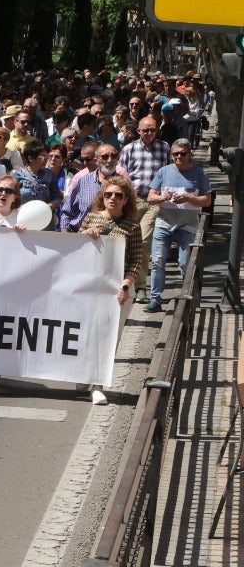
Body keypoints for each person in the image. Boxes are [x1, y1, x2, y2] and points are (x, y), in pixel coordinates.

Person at [77, 175, 144, 405]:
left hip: (117, 290)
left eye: (118, 195)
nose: (113, 198)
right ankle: (85, 373)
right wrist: (85, 235)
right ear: (102, 197)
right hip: (90, 286)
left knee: (107, 337)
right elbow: (75, 249)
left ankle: (98, 384)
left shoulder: (132, 226)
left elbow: (136, 260)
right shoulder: (91, 218)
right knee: (87, 332)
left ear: (126, 200)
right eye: (108, 194)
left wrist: (126, 285)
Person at [145, 138, 212, 313]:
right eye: (175, 154)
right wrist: (163, 197)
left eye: (183, 153)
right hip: (164, 223)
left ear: (190, 154)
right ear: (171, 155)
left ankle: (186, 297)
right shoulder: (163, 171)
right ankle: (155, 299)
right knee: (158, 261)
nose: (179, 157)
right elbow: (150, 197)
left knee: (184, 263)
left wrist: (189, 198)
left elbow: (207, 200)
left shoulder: (199, 173)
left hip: (188, 225)